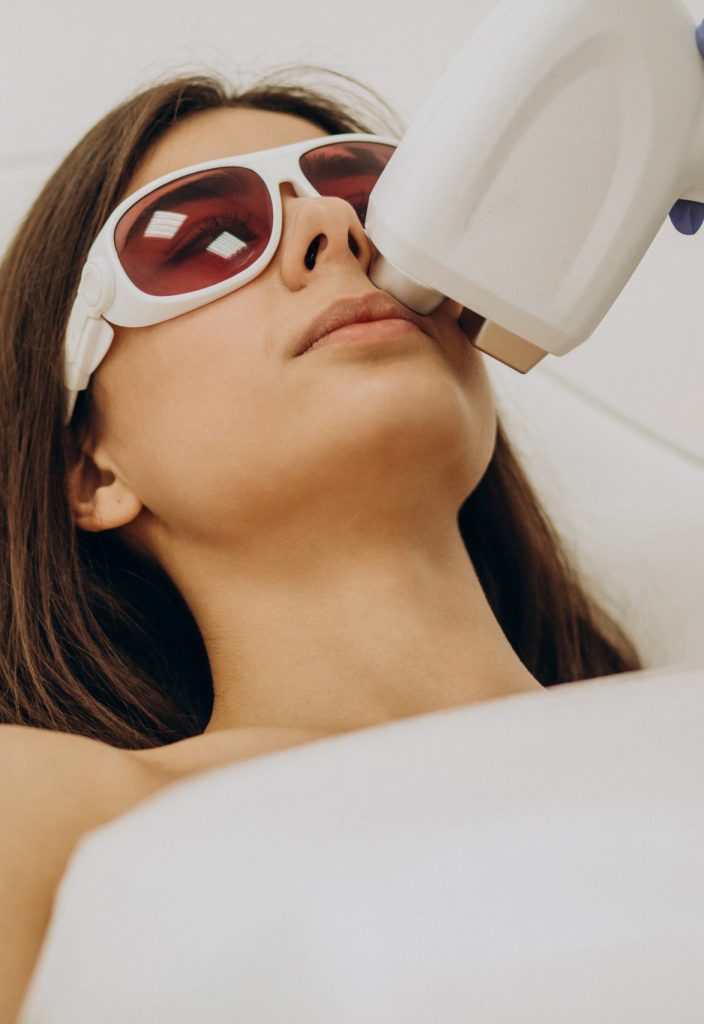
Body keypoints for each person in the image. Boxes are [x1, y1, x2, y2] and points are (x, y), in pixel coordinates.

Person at [1, 64, 644, 1017]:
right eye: (206, 237)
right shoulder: (42, 810)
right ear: (90, 472)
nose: (335, 229)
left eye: (383, 210)